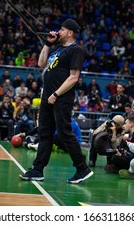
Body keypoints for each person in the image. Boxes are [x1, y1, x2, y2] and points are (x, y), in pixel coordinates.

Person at [19, 18, 94, 184]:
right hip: (48, 96)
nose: (58, 32)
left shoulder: (76, 50)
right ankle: (38, 169)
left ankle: (82, 168)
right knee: (44, 133)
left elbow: (74, 78)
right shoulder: (58, 48)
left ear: (69, 32)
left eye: (61, 29)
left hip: (61, 98)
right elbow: (41, 63)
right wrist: (47, 43)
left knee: (65, 132)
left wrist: (56, 94)